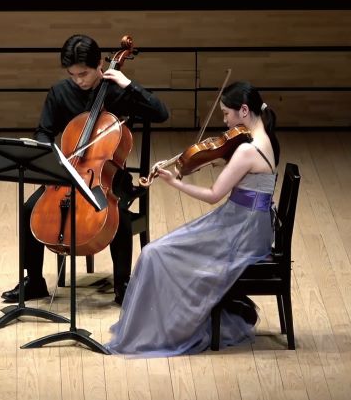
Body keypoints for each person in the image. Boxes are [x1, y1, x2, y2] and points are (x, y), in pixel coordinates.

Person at [105, 81, 280, 357]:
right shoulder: (262, 140)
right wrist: (209, 158)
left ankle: (165, 330)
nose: (225, 121)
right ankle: (163, 324)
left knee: (155, 254)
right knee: (161, 251)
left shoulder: (248, 150)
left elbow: (213, 195)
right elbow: (233, 169)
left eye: (227, 114)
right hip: (249, 225)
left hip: (241, 232)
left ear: (244, 111)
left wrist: (175, 182)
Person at [0, 34, 169, 305]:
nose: (78, 80)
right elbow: (43, 132)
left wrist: (129, 84)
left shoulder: (118, 91)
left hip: (109, 176)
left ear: (100, 63)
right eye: (73, 75)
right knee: (30, 208)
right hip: (69, 173)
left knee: (118, 214)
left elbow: (162, 113)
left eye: (84, 74)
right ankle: (34, 281)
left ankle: (123, 284)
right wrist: (51, 154)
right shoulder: (60, 92)